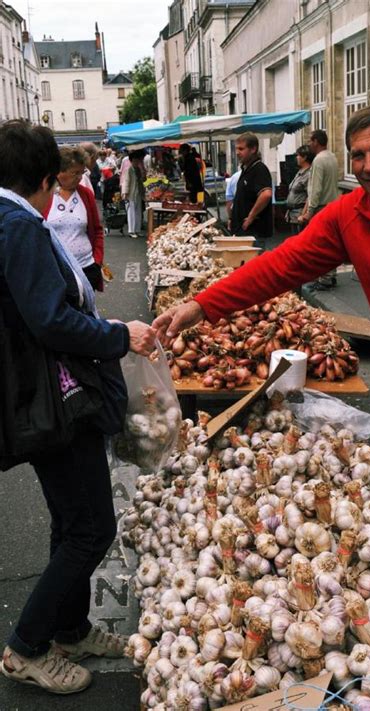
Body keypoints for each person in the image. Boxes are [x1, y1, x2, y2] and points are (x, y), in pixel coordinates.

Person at [154, 104, 370, 547]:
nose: (368, 165)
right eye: (357, 155)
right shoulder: (349, 216)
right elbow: (278, 267)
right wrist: (202, 305)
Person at [0, 120, 157, 695]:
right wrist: (119, 335)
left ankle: (70, 627)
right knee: (91, 529)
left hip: (41, 394)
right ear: (45, 179)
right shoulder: (17, 225)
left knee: (72, 521)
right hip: (56, 397)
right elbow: (50, 320)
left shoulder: (9, 219)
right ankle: (26, 647)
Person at [44, 146, 104, 291]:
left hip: (87, 267)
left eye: (81, 172)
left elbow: (97, 230)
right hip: (57, 271)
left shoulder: (86, 194)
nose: (80, 177)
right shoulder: (45, 195)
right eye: (74, 173)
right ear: (59, 172)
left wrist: (97, 261)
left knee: (87, 310)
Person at [299, 129, 339, 289]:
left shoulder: (318, 161)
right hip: (333, 204)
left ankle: (324, 279)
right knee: (331, 243)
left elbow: (315, 188)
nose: (309, 144)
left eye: (310, 140)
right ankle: (331, 275)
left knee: (319, 244)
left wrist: (309, 212)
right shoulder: (332, 157)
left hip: (321, 207)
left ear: (316, 141)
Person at [231, 132, 273, 252]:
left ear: (253, 149)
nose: (237, 153)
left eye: (241, 149)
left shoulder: (259, 169)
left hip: (254, 232)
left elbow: (266, 194)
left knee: (254, 267)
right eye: (236, 149)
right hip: (244, 232)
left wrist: (250, 217)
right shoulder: (246, 169)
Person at [285, 145, 314, 233]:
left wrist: (303, 215)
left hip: (300, 214)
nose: (296, 158)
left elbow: (310, 196)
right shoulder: (300, 172)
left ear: (304, 157)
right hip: (292, 214)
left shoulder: (309, 174)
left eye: (298, 155)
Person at [121, 150, 146, 239]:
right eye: (135, 161)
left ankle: (137, 230)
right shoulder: (129, 170)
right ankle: (131, 231)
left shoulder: (138, 169)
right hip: (130, 194)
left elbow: (141, 181)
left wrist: (143, 192)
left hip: (138, 193)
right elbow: (126, 181)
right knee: (131, 212)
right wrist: (125, 193)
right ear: (131, 161)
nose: (137, 162)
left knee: (138, 212)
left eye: (138, 161)